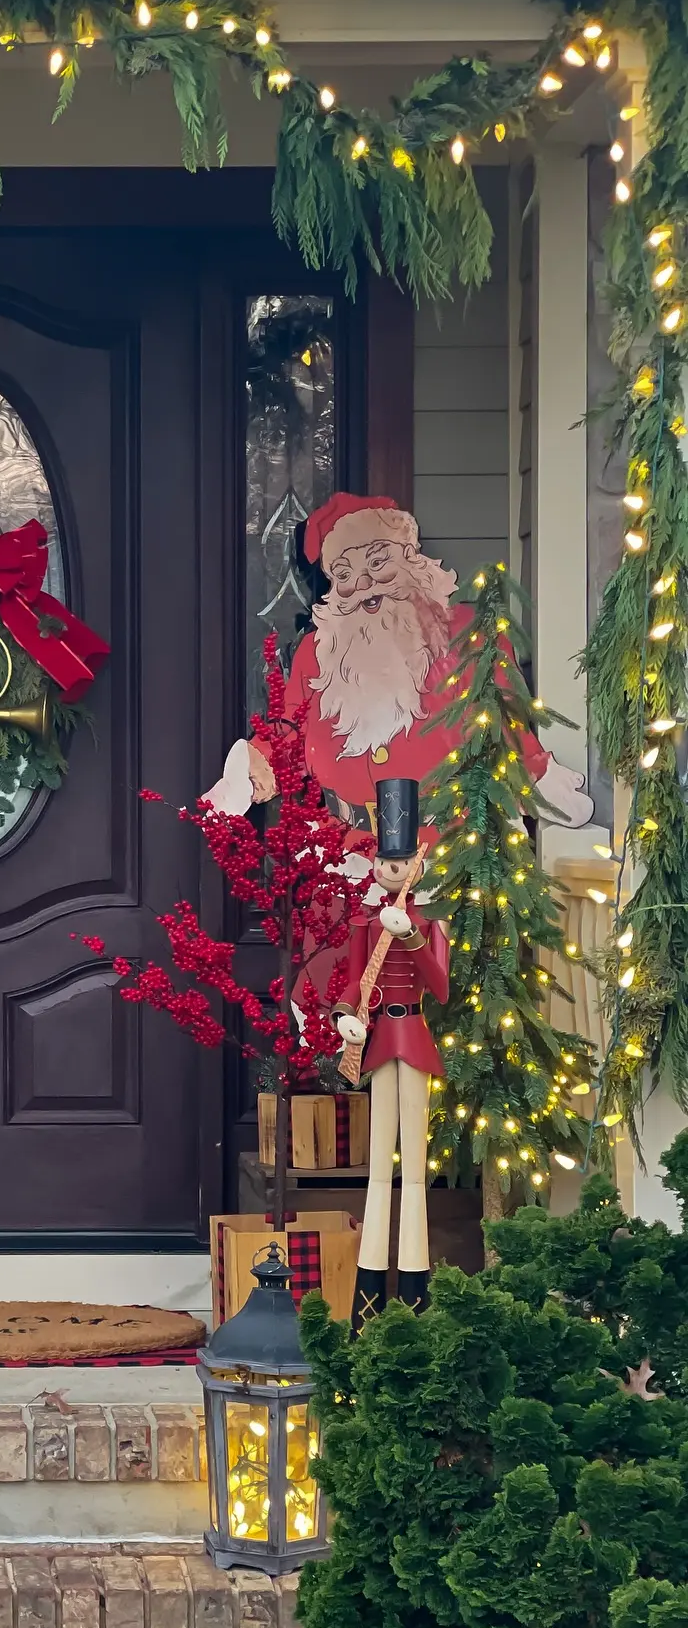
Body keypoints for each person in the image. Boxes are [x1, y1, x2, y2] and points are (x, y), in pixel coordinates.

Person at [206, 494, 594, 834]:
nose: (364, 583)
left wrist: (535, 774)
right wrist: (252, 767)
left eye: (378, 562)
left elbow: (502, 725)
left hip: (448, 856)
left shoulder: (468, 635)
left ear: (410, 558)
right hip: (348, 860)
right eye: (344, 574)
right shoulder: (319, 651)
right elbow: (290, 730)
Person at [332, 778, 449, 1330]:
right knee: (380, 1171)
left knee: (415, 1174)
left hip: (415, 1038)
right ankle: (371, 1291)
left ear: (417, 867)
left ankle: (417, 1293)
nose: (389, 870)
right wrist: (346, 1020)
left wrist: (413, 939)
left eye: (399, 863)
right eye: (384, 861)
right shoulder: (364, 925)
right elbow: (352, 985)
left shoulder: (428, 925)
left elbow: (441, 987)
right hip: (379, 1042)